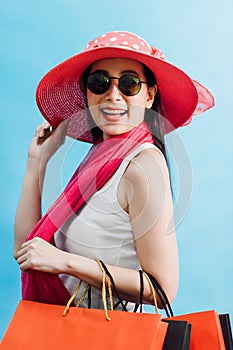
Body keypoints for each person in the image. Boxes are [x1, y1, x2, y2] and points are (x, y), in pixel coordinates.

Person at [14, 31, 214, 310]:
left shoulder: (143, 165)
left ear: (149, 96)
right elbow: (25, 251)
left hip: (105, 336)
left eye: (129, 84)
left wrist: (66, 262)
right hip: (64, 332)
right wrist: (37, 162)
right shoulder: (98, 160)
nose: (113, 95)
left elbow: (163, 290)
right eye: (99, 83)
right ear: (87, 92)